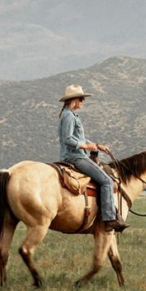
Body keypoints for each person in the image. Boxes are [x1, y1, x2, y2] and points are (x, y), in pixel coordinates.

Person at [58, 84, 128, 233]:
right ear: (74, 100)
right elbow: (68, 139)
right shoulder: (69, 116)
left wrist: (96, 145)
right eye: (82, 99)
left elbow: (80, 137)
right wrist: (86, 147)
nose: (83, 101)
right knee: (106, 181)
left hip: (76, 155)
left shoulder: (69, 114)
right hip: (75, 157)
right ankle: (109, 219)